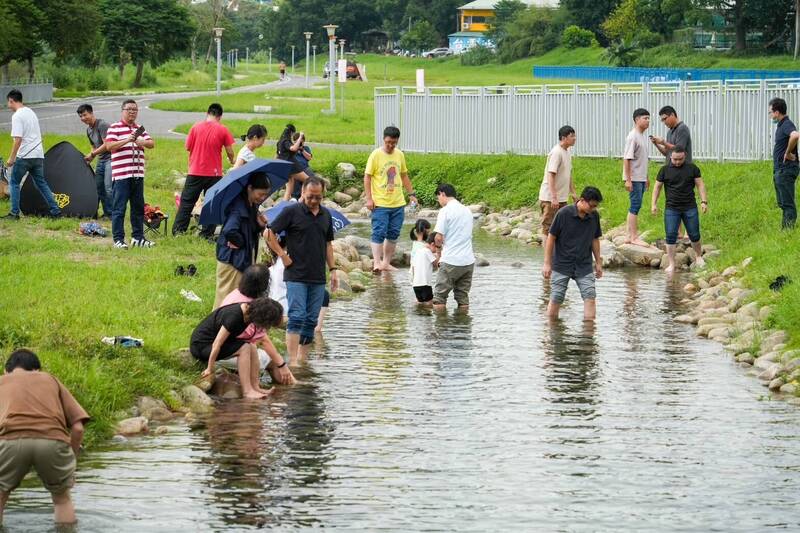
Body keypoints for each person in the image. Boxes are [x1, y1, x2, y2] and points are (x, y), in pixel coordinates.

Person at [0, 349, 89, 526]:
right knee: (61, 498)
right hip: (53, 440)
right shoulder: (50, 380)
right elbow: (78, 428)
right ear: (37, 370)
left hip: (10, 440)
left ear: (6, 371)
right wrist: (71, 461)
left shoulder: (1, 382)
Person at [265, 177, 339, 366]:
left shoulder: (326, 215)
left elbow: (328, 244)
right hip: (295, 274)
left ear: (323, 195)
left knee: (311, 320)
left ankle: (303, 360)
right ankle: (293, 361)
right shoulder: (291, 211)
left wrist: (333, 269)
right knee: (297, 316)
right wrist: (282, 255)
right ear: (303, 193)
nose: (314, 201)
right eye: (310, 197)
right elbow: (268, 233)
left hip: (317, 275)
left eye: (318, 197)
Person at [191, 297, 284, 399]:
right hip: (201, 346)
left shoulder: (248, 313)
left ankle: (255, 387)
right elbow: (217, 343)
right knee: (244, 348)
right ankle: (247, 391)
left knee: (252, 346)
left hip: (213, 344)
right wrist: (210, 368)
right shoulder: (235, 316)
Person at [220, 264, 295, 385]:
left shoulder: (234, 294)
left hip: (224, 348)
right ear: (264, 285)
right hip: (227, 354)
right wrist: (282, 365)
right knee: (272, 360)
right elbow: (264, 341)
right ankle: (293, 387)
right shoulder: (252, 307)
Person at [173, 103, 235, 239]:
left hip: (195, 171)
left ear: (207, 113)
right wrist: (232, 160)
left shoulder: (195, 127)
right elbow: (230, 151)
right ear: (220, 116)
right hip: (214, 174)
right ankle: (206, 234)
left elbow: (187, 147)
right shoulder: (223, 129)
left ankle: (178, 231)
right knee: (212, 204)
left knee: (187, 202)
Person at [542, 186, 604, 321]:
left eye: (595, 206)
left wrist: (598, 262)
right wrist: (547, 263)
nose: (593, 209)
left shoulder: (594, 216)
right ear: (582, 200)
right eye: (592, 206)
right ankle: (551, 330)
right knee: (556, 297)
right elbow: (551, 238)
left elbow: (595, 239)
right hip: (562, 264)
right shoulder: (563, 213)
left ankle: (588, 336)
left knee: (590, 297)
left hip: (584, 265)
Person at [214, 171, 271, 309]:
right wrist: (240, 243)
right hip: (232, 260)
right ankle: (216, 328)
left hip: (240, 258)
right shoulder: (237, 208)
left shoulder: (250, 205)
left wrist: (259, 225)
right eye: (260, 194)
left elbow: (248, 229)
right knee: (226, 299)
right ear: (250, 188)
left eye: (265, 195)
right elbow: (229, 231)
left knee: (237, 299)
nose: (262, 198)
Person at [2, 90, 61, 220]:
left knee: (14, 183)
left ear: (11, 100)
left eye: (8, 102)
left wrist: (12, 158)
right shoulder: (31, 112)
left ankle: (14, 213)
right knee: (41, 183)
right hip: (38, 155)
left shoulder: (17, 116)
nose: (8, 105)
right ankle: (56, 210)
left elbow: (18, 139)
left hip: (24, 156)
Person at [364, 126, 417, 272]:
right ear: (383, 139)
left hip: (398, 203)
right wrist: (369, 199)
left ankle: (386, 263)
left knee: (393, 233)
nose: (390, 145)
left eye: (393, 143)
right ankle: (376, 263)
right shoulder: (375, 155)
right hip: (380, 203)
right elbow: (367, 177)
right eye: (388, 142)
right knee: (378, 232)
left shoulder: (399, 155)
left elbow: (404, 175)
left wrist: (411, 194)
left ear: (397, 141)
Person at [104, 99, 155, 249]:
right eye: (129, 109)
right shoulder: (114, 128)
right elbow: (109, 146)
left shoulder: (140, 129)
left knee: (138, 208)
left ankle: (138, 238)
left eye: (135, 109)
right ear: (123, 111)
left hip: (138, 175)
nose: (132, 112)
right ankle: (118, 240)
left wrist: (142, 142)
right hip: (122, 175)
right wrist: (127, 139)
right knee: (119, 208)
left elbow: (152, 143)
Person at [650, 146, 708, 274]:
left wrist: (704, 201)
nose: (677, 162)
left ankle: (698, 256)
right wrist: (653, 204)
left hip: (689, 206)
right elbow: (657, 188)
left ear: (684, 156)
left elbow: (700, 185)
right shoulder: (664, 170)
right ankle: (671, 263)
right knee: (670, 235)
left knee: (694, 234)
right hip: (672, 208)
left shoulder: (692, 168)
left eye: (680, 159)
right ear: (670, 157)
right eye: (675, 159)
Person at [432, 183, 475, 312]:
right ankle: (461, 328)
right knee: (463, 298)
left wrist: (438, 252)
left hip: (451, 260)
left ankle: (441, 328)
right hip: (468, 261)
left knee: (439, 298)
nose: (438, 200)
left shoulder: (445, 211)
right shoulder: (467, 210)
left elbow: (438, 237)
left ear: (442, 194)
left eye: (438, 197)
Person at [538, 125, 578, 236]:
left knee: (561, 227)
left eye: (574, 135)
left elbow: (568, 174)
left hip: (561, 198)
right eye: (572, 136)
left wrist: (573, 193)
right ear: (564, 138)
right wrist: (553, 197)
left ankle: (557, 253)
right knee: (548, 228)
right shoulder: (556, 152)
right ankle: (547, 253)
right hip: (550, 199)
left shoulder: (567, 153)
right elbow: (551, 175)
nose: (575, 138)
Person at [769, 97, 800, 229]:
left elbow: (795, 135)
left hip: (785, 170)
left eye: (770, 112)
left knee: (787, 204)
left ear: (777, 112)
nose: (770, 116)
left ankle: (788, 231)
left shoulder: (787, 124)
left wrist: (787, 153)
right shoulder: (781, 125)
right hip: (780, 170)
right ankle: (785, 230)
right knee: (782, 203)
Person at [77, 104, 112, 218]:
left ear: (91, 113)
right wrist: (91, 157)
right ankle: (107, 213)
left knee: (108, 187)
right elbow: (94, 146)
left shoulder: (102, 125)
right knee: (98, 187)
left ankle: (114, 213)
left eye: (85, 115)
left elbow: (107, 145)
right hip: (101, 160)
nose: (83, 118)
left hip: (111, 159)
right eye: (80, 116)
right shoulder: (88, 130)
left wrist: (93, 154)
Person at [623, 108, 651, 246]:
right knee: (635, 205)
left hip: (640, 177)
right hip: (634, 178)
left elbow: (642, 159)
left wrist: (646, 177)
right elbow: (627, 159)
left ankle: (629, 236)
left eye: (648, 118)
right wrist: (628, 180)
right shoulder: (633, 136)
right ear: (636, 119)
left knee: (636, 205)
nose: (648, 121)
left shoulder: (642, 136)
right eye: (645, 118)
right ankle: (634, 237)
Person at [276, 124, 312, 201]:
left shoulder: (279, 142)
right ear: (291, 133)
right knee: (308, 180)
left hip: (284, 166)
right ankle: (301, 199)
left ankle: (284, 205)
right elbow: (294, 148)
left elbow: (277, 155)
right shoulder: (285, 141)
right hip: (291, 166)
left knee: (289, 189)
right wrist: (300, 136)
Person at [411, 233, 439, 306]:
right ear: (432, 244)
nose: (436, 250)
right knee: (429, 303)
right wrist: (439, 255)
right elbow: (436, 264)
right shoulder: (427, 251)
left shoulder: (418, 251)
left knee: (420, 302)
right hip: (425, 284)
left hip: (415, 285)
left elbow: (413, 268)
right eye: (437, 247)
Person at [286, 131, 315, 200]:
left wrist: (302, 150)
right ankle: (295, 197)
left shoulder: (306, 148)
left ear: (303, 141)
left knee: (311, 179)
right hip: (295, 168)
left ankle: (310, 194)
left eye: (300, 142)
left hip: (305, 167)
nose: (298, 143)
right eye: (296, 142)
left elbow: (309, 158)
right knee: (294, 178)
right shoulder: (292, 148)